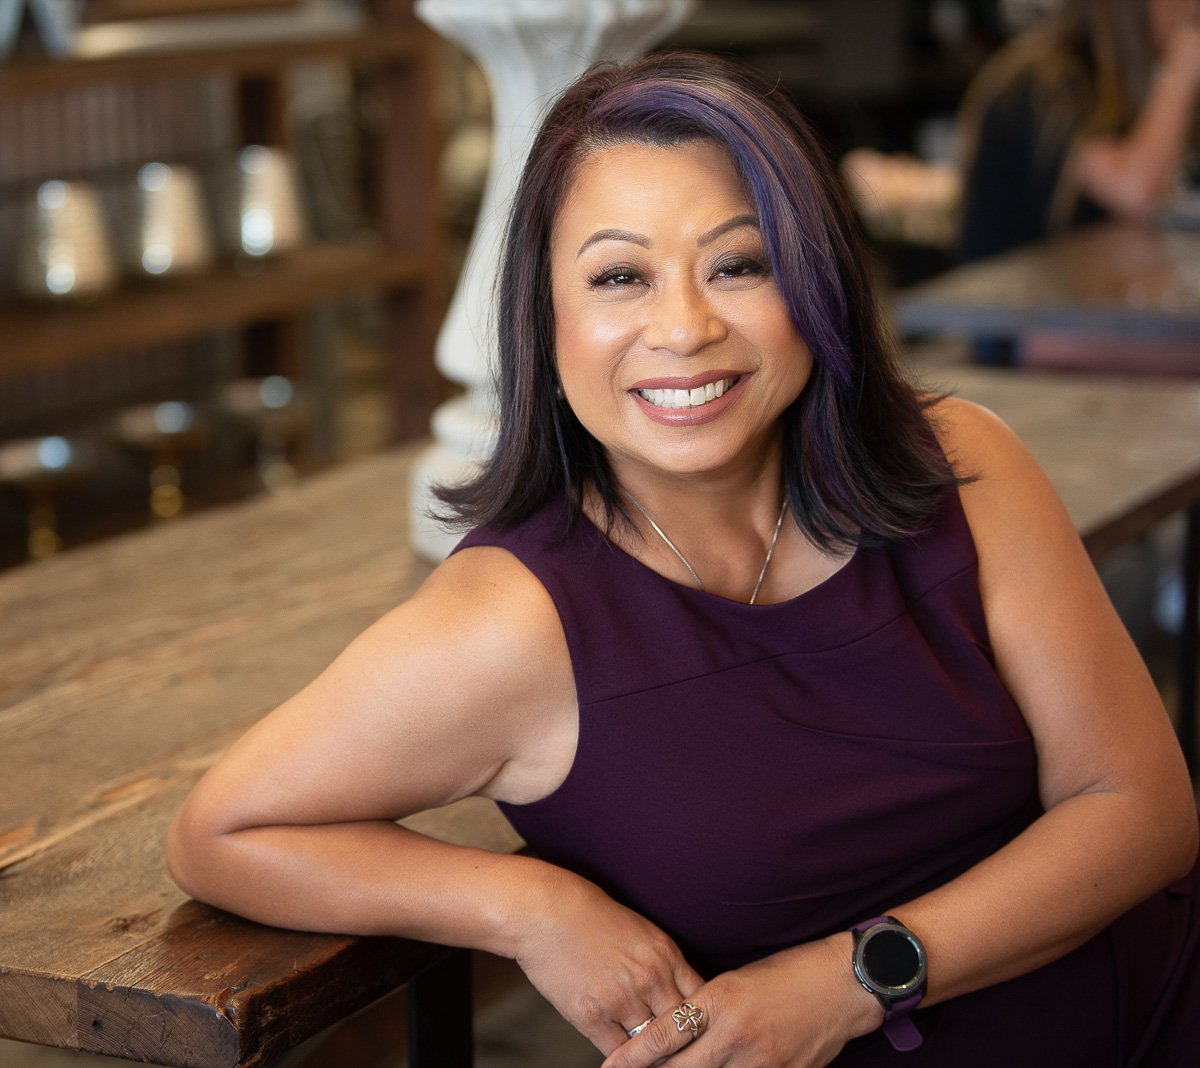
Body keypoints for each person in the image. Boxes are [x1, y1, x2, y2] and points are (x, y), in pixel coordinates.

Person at [167, 51, 1200, 1067]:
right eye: (619, 276)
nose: (684, 327)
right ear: (545, 314)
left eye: (737, 264)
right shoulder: (514, 618)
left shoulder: (965, 468)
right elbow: (224, 830)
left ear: (814, 281)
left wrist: (846, 984)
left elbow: (1139, 810)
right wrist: (527, 906)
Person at [956, 0, 1200, 264]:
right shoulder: (1043, 80)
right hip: (1004, 296)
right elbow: (1134, 191)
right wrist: (1181, 68)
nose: (1190, 10)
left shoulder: (1125, 89)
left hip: (1062, 293)